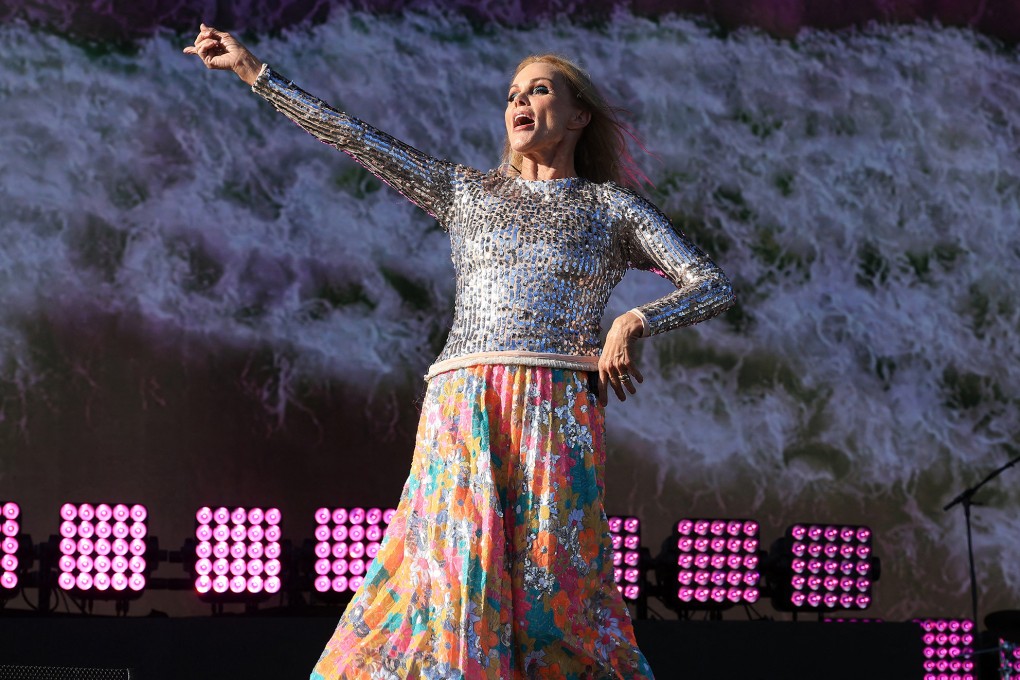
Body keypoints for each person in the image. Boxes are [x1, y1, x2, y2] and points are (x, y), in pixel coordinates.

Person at [185, 23, 735, 679]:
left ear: (579, 115)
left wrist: (634, 322)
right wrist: (253, 72)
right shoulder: (466, 192)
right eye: (513, 94)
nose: (519, 101)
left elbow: (711, 284)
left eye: (539, 90)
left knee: (553, 589)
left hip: (554, 406)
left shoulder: (610, 208)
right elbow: (353, 136)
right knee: (453, 575)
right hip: (464, 402)